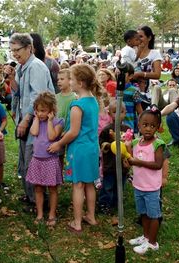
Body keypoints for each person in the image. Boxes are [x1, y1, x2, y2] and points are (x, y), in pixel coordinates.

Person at [48, 64, 101, 233]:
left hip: (79, 150)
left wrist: (59, 143)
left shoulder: (77, 105)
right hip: (92, 148)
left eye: (71, 79)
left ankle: (77, 222)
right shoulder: (93, 101)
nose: (69, 82)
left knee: (78, 185)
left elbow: (73, 132)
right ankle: (91, 216)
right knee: (89, 184)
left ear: (81, 83)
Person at [4, 33, 54, 209]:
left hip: (37, 124)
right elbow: (18, 92)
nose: (14, 54)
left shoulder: (36, 67)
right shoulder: (22, 67)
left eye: (17, 50)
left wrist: (25, 120)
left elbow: (37, 97)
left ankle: (39, 201)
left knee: (34, 162)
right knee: (25, 161)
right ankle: (30, 196)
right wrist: (11, 80)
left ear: (29, 48)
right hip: (25, 121)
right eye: (12, 51)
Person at [126, 106, 165, 255]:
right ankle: (146, 236)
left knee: (154, 215)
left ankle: (152, 242)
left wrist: (137, 162)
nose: (148, 128)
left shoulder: (158, 144)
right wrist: (128, 159)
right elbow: (131, 161)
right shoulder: (136, 143)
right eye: (145, 125)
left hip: (152, 188)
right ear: (139, 125)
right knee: (143, 213)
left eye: (152, 126)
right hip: (139, 185)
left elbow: (158, 164)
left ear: (157, 127)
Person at [26, 92, 64, 226]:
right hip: (37, 159)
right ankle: (40, 213)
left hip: (50, 160)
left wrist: (49, 121)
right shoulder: (37, 121)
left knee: (52, 189)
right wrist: (36, 118)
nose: (40, 113)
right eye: (37, 110)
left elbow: (52, 136)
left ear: (51, 110)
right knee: (38, 188)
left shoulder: (58, 122)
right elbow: (34, 132)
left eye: (43, 111)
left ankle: (52, 214)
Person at [98, 100, 130, 215]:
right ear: (110, 114)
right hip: (110, 164)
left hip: (122, 164)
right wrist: (107, 145)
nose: (117, 115)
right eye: (114, 112)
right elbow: (101, 142)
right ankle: (104, 203)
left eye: (120, 112)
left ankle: (116, 202)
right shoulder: (107, 130)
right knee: (108, 185)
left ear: (125, 113)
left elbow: (130, 145)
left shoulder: (127, 129)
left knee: (120, 185)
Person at [133, 26, 162, 106]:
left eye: (141, 36)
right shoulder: (130, 52)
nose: (138, 39)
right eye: (136, 37)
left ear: (149, 38)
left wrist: (140, 74)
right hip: (129, 91)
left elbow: (157, 74)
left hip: (144, 95)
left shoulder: (154, 53)